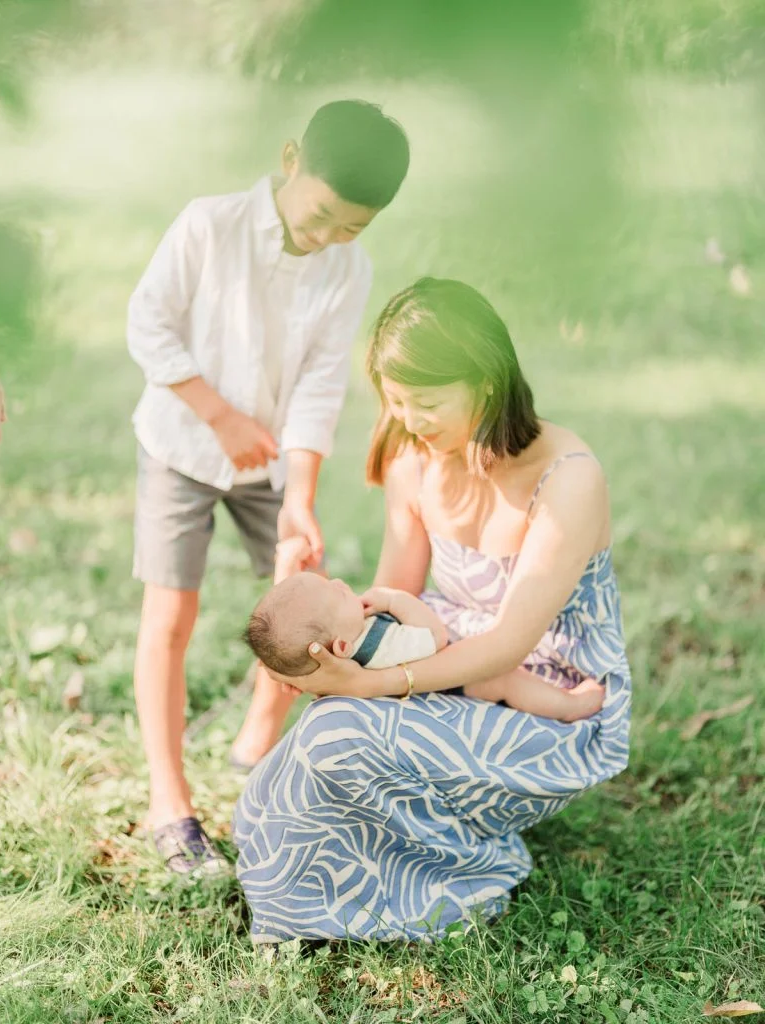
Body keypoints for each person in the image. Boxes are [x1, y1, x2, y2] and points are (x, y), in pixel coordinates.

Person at [234, 277, 632, 943]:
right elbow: (392, 597)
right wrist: (333, 658)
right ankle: (300, 884)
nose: (409, 420)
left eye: (424, 401)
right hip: (445, 662)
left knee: (343, 730)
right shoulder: (413, 462)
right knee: (322, 730)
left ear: (484, 380)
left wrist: (373, 685)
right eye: (394, 401)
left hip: (551, 703)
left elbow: (508, 646)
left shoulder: (568, 478)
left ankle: (468, 873)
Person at [127, 100, 410, 874]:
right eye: (320, 213)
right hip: (182, 444)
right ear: (291, 160)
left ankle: (258, 747)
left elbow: (321, 385)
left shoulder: (348, 269)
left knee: (303, 599)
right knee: (171, 616)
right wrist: (217, 415)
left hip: (273, 463)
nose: (326, 237)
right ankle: (169, 801)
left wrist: (300, 498)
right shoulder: (207, 226)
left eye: (351, 227)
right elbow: (148, 323)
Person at [246, 536, 605, 720]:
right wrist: (394, 600)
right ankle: (568, 706)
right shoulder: (377, 644)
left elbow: (293, 633)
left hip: (415, 689)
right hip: (447, 688)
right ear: (340, 647)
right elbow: (436, 637)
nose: (341, 582)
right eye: (337, 594)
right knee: (505, 680)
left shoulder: (339, 655)